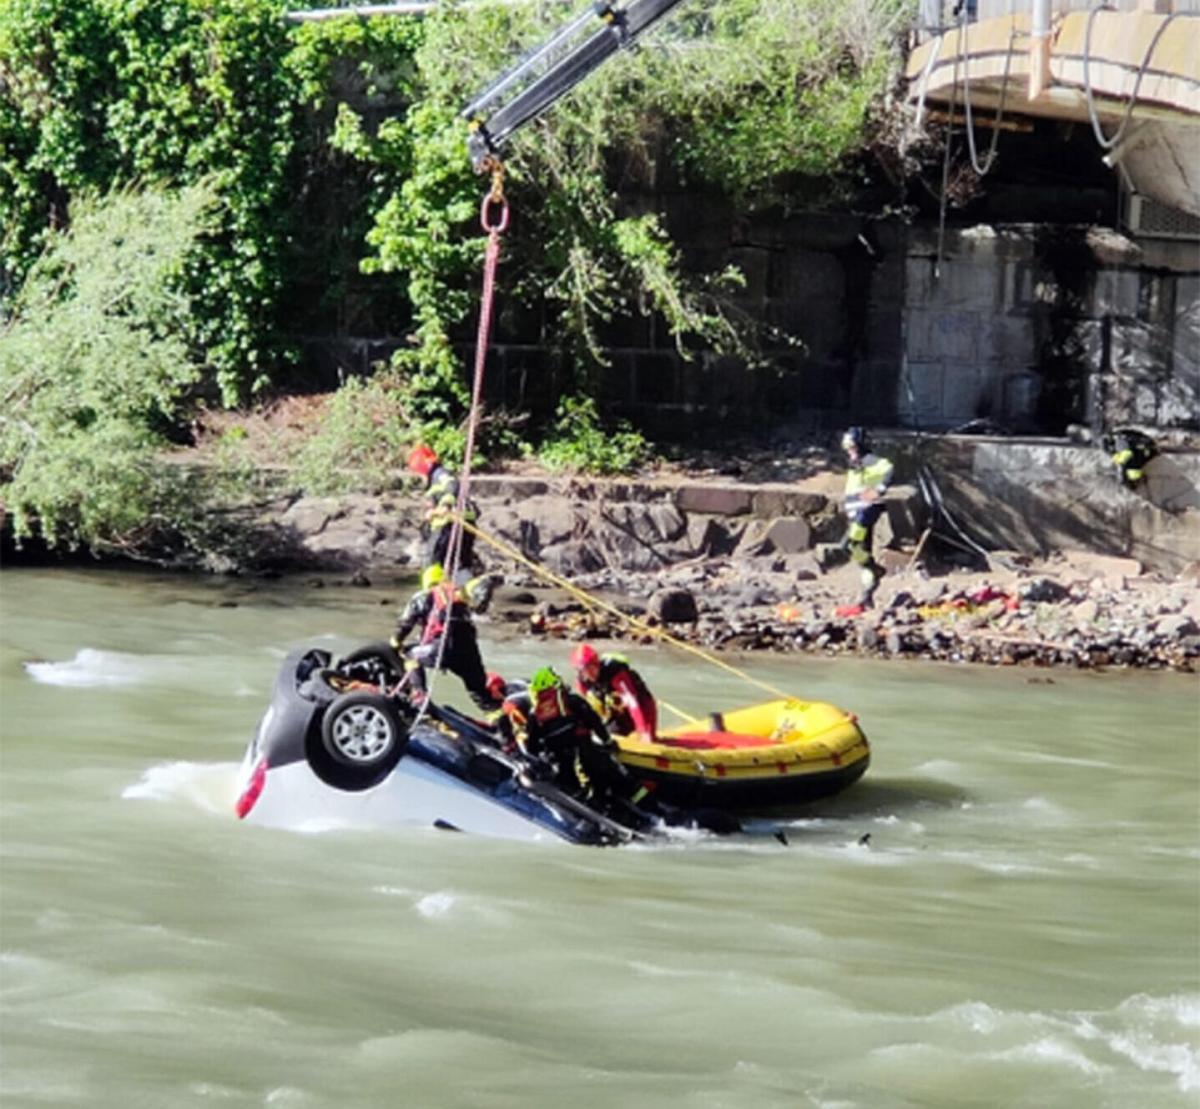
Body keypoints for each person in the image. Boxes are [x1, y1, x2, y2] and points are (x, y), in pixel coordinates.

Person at [497, 666, 652, 814]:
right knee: (572, 774)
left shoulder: (569, 706)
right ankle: (594, 803)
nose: (544, 706)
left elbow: (595, 723)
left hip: (579, 750)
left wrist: (607, 742)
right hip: (562, 756)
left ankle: (639, 808)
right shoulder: (537, 717)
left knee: (604, 770)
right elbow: (531, 745)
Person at [390, 564, 499, 713]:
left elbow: (406, 623)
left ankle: (419, 695)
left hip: (443, 645)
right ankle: (500, 720)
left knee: (410, 655)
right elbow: (484, 582)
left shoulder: (423, 596)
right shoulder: (459, 592)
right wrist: (482, 601)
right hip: (468, 649)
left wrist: (396, 640)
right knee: (479, 691)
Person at [839, 426, 894, 615]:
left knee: (848, 545)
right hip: (856, 513)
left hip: (866, 512)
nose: (849, 452)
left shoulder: (870, 461)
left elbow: (889, 469)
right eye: (847, 449)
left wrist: (878, 489)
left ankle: (875, 569)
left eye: (852, 448)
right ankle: (867, 595)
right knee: (862, 550)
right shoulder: (854, 464)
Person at [406, 443, 480, 577]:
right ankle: (467, 588)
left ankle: (433, 591)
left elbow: (452, 486)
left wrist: (445, 506)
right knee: (461, 563)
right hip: (466, 523)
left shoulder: (439, 475)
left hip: (449, 523)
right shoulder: (435, 479)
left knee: (432, 560)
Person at [569, 643, 658, 743]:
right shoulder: (582, 682)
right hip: (618, 713)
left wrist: (643, 731)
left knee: (648, 739)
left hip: (642, 707)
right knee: (607, 736)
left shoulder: (616, 675)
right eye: (584, 671)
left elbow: (632, 702)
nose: (589, 674)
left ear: (597, 664)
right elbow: (586, 709)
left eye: (591, 668)